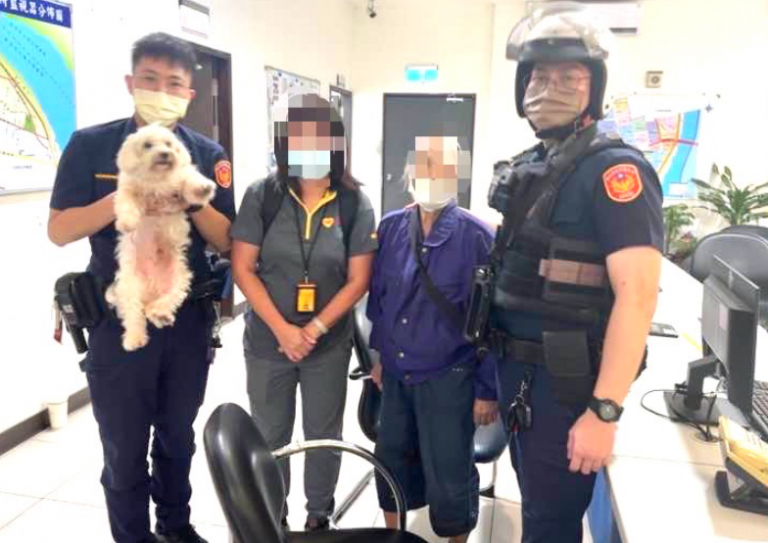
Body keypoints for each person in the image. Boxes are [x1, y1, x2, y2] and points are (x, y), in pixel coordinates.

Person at [479, 3, 664, 542]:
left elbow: (638, 297)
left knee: (551, 523)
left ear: (594, 88)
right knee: (538, 510)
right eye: (538, 77)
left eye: (568, 78)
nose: (548, 89)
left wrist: (603, 412)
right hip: (520, 377)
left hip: (565, 386)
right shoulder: (536, 165)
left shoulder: (615, 171)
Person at [47, 33, 234, 543]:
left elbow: (227, 238)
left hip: (186, 318)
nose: (161, 91)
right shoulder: (91, 145)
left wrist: (188, 196)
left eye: (174, 83)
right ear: (131, 83)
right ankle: (132, 536)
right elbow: (59, 230)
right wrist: (122, 197)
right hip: (118, 317)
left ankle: (176, 527)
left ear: (189, 94)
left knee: (177, 437)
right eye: (150, 79)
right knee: (124, 446)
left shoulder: (207, 153)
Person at [230, 93, 378, 531]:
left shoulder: (353, 203)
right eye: (298, 135)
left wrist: (312, 329)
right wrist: (283, 330)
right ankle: (274, 518)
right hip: (268, 342)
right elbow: (242, 268)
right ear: (284, 142)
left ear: (335, 142)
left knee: (323, 437)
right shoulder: (262, 196)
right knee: (270, 436)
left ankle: (318, 518)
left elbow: (359, 280)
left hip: (327, 345)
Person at [367, 136, 498, 543]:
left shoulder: (477, 236)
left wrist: (487, 390)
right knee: (390, 460)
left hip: (449, 374)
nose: (431, 175)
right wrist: (379, 357)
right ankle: (393, 536)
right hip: (397, 371)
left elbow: (494, 323)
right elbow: (380, 301)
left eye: (443, 168)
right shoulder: (391, 227)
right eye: (424, 165)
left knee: (449, 471)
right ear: (409, 171)